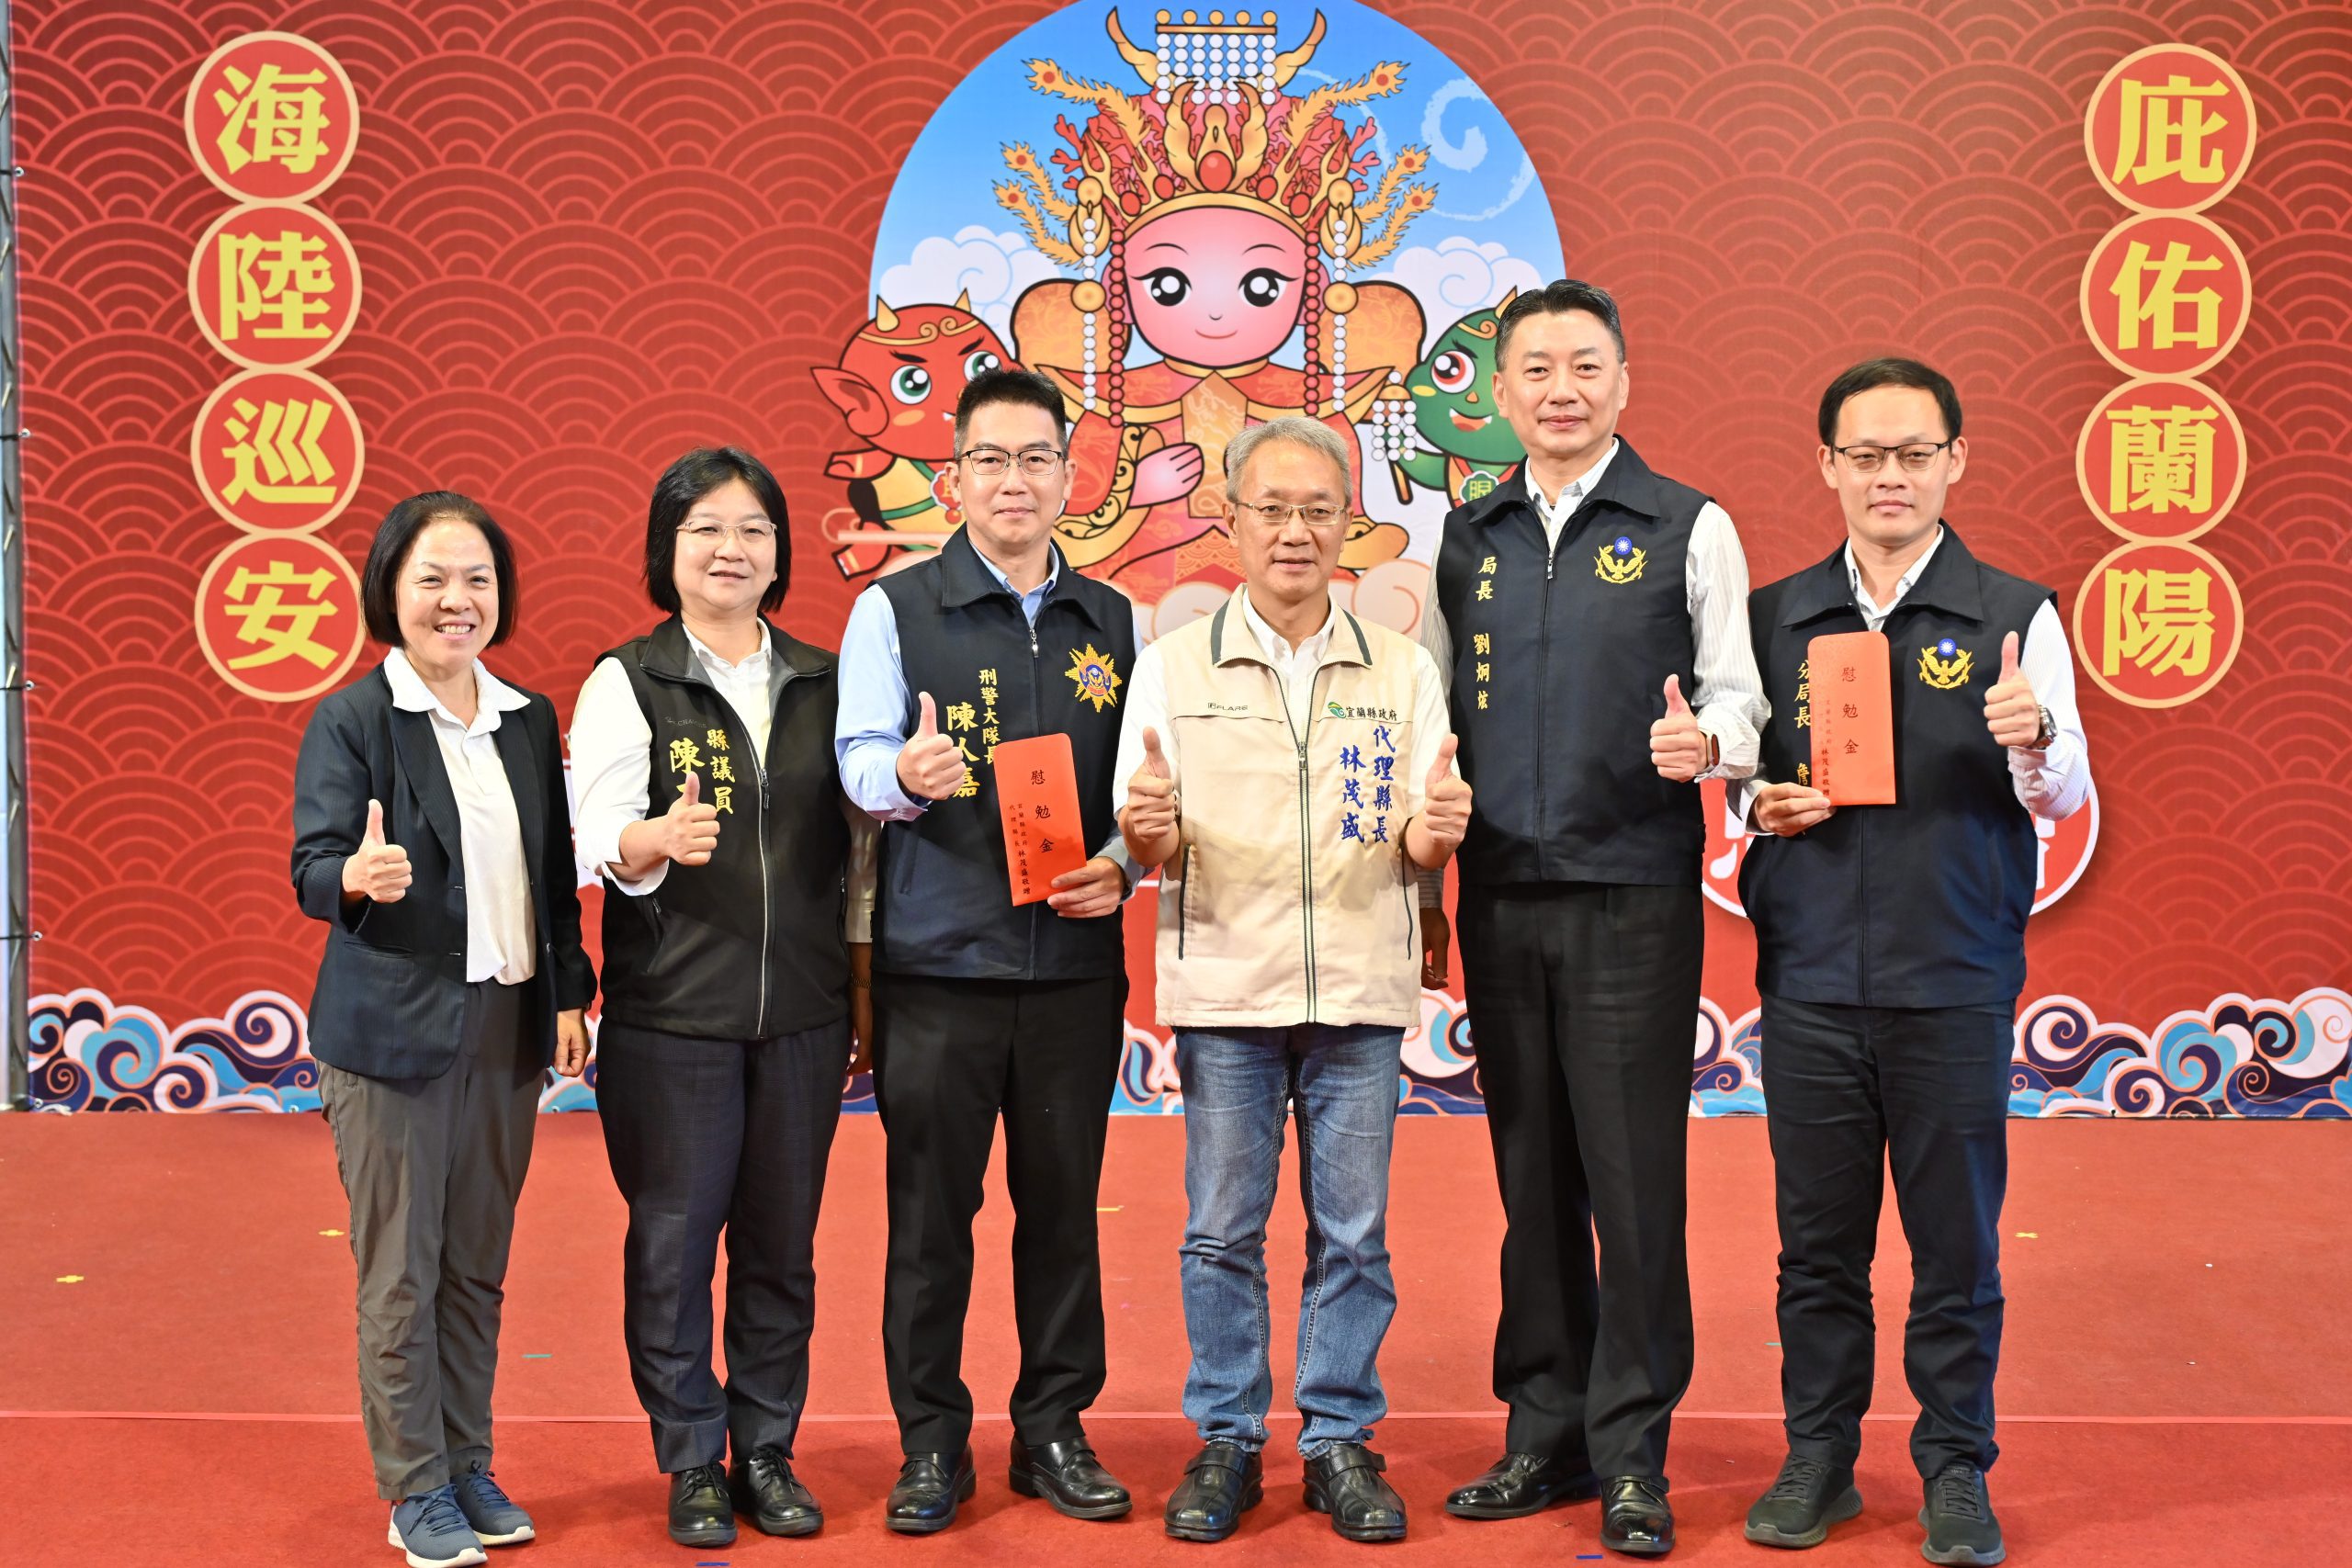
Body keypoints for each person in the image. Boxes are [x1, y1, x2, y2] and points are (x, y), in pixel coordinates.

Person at [1419, 279, 1770, 1557]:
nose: (1560, 390)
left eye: (1584, 366)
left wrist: (1707, 743)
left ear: (1623, 381)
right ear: (1500, 391)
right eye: (1536, 368)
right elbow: (1434, 706)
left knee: (1632, 1179)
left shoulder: (1688, 524)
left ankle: (1632, 1455)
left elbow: (1740, 694)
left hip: (1632, 892)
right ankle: (1543, 1428)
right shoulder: (1469, 533)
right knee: (1532, 1175)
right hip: (1502, 891)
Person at [1734, 359, 2089, 1566]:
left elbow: (2064, 792)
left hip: (1953, 977)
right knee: (1816, 1249)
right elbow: (1743, 778)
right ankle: (1818, 1459)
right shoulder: (1776, 616)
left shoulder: (2014, 614)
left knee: (1956, 1247)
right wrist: (1757, 803)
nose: (1890, 475)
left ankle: (1954, 1467)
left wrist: (2036, 737)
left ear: (1955, 461)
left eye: (1914, 453)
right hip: (1811, 980)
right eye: (1866, 454)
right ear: (1828, 464)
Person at [1114, 417, 1473, 1545]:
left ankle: (1337, 1440)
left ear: (1346, 525)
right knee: (1221, 1230)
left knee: (1353, 1234)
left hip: (1359, 993)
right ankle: (1225, 1437)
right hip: (1227, 988)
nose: (1293, 531)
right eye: (1271, 509)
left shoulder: (1401, 668)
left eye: (1317, 510)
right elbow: (1147, 837)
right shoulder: (1173, 666)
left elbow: (1418, 834)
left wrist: (1438, 832)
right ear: (1231, 521)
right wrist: (1147, 826)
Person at [834, 367, 1138, 1533]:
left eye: (1036, 459)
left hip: (1072, 969)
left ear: (1070, 475)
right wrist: (902, 777)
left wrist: (1122, 861)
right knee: (929, 1219)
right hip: (938, 966)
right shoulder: (895, 609)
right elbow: (857, 759)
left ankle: (1054, 1428)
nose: (1015, 481)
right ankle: (931, 1442)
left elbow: (1143, 785)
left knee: (1062, 1211)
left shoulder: (1113, 618)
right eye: (991, 460)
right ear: (955, 476)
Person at [568, 447, 876, 1548]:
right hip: (673, 1019)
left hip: (802, 1016)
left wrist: (861, 993)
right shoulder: (630, 679)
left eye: (751, 530)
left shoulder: (827, 681)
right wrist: (651, 839)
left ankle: (769, 1450)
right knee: (673, 1246)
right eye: (704, 529)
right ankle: (693, 1457)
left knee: (781, 1251)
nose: (729, 549)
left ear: (780, 553)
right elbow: (592, 834)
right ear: (668, 550)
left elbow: (863, 847)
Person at [291, 493, 594, 1568]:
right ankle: (415, 1484)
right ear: (390, 590)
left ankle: (468, 1461)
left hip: (506, 1025)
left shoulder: (526, 718)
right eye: (431, 579)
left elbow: (552, 876)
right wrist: (355, 878)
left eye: (476, 579)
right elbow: (311, 866)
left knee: (475, 1264)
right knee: (402, 1273)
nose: (455, 600)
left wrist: (568, 994)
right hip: (391, 1036)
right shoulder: (353, 719)